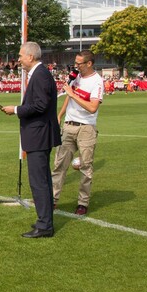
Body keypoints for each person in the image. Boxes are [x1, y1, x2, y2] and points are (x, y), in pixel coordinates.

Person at [2, 42, 61, 238]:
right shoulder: (39, 73)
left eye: (20, 56)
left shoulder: (41, 74)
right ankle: (44, 221)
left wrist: (16, 109)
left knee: (39, 182)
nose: (18, 59)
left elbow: (41, 105)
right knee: (41, 181)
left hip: (39, 135)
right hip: (38, 134)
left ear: (30, 56)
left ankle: (44, 226)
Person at [51, 50, 104, 216]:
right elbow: (68, 96)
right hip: (69, 126)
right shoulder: (76, 77)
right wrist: (59, 116)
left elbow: (93, 107)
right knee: (59, 164)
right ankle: (52, 199)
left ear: (89, 64)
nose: (76, 66)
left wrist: (73, 94)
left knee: (86, 167)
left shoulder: (97, 82)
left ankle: (82, 203)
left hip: (86, 128)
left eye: (79, 63)